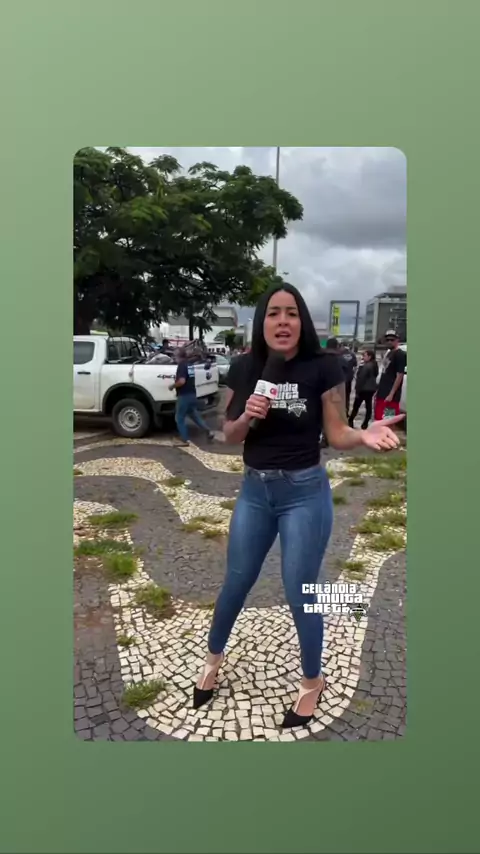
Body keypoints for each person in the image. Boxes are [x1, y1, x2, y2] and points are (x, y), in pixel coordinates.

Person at [193, 283, 403, 728]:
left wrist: (363, 435)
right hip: (255, 491)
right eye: (274, 313)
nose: (283, 321)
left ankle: (312, 681)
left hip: (304, 492)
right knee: (236, 582)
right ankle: (212, 659)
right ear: (262, 322)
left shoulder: (323, 367)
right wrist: (247, 415)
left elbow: (338, 433)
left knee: (300, 589)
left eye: (291, 313)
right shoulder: (245, 366)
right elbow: (228, 436)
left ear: (302, 320)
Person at [169, 348, 215, 446]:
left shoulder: (182, 365)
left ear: (178, 356)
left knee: (179, 418)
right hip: (192, 394)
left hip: (184, 395)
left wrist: (172, 386)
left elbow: (182, 381)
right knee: (194, 416)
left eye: (174, 356)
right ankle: (208, 431)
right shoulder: (189, 364)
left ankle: (184, 440)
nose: (173, 358)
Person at [374, 330, 406, 422]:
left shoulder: (400, 354)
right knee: (379, 420)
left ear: (397, 340)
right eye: (387, 340)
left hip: (391, 397)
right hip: (382, 394)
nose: (389, 342)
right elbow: (384, 372)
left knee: (388, 421)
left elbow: (399, 375)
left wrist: (391, 394)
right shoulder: (389, 353)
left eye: (392, 340)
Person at [348, 349, 378, 429]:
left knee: (356, 406)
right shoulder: (374, 364)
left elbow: (361, 378)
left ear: (369, 357)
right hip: (371, 389)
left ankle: (350, 420)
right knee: (368, 406)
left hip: (363, 389)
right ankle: (365, 423)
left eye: (364, 356)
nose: (363, 357)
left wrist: (357, 390)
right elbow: (375, 374)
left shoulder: (366, 366)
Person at [341, 345, 357, 417]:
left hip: (341, 380)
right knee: (347, 397)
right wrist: (352, 374)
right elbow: (355, 366)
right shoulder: (352, 354)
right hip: (349, 379)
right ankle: (346, 412)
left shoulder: (339, 354)